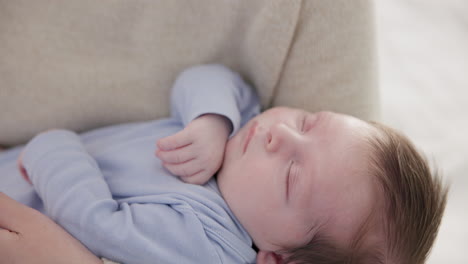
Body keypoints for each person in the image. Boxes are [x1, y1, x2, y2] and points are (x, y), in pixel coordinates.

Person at [0, 64, 448, 264]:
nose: (280, 134)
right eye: (308, 122)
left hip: (22, 201)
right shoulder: (241, 134)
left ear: (277, 258)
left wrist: (54, 151)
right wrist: (211, 119)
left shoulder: (209, 245)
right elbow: (207, 77)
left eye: (292, 173)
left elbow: (96, 222)